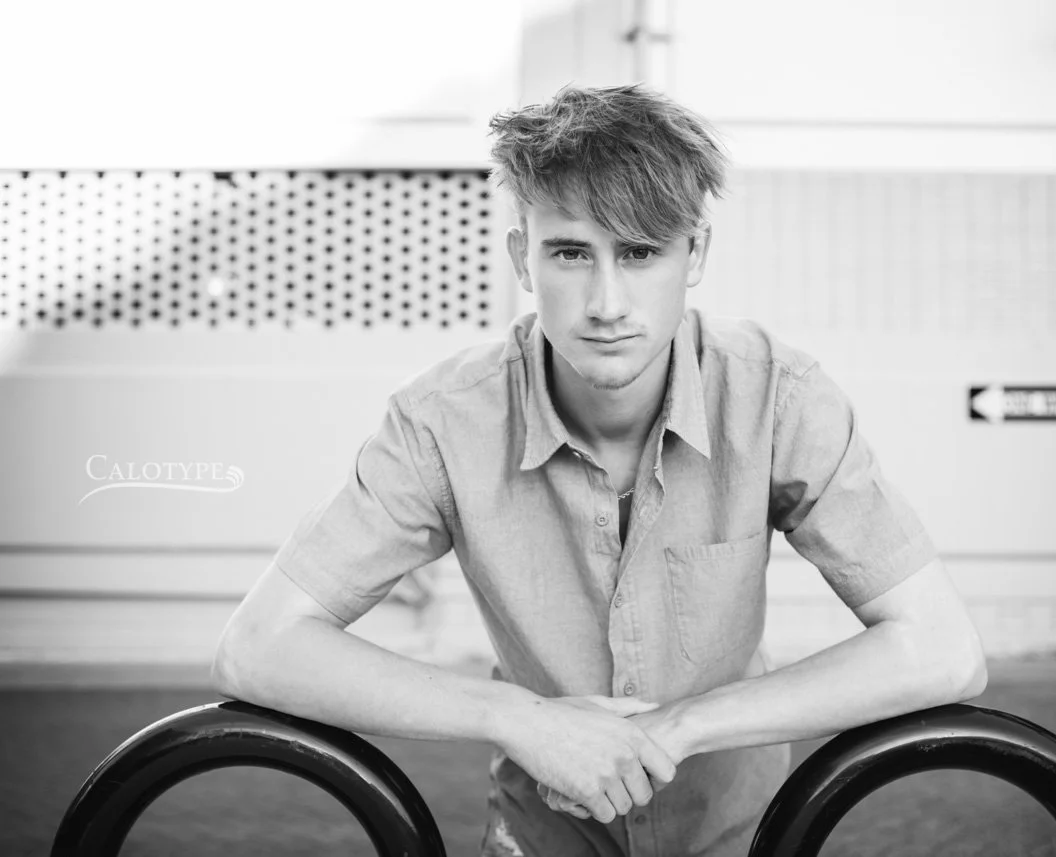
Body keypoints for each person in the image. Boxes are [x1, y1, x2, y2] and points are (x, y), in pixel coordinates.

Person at [212, 83, 987, 857]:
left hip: (740, 835)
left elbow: (943, 648)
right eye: (572, 252)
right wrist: (517, 717)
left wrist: (677, 728)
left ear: (697, 256)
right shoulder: (444, 421)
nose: (606, 302)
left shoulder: (777, 399)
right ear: (524, 257)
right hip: (542, 832)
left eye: (642, 252)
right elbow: (259, 645)